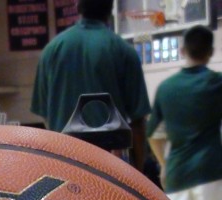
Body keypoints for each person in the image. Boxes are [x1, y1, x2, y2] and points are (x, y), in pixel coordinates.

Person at [30, 0, 150, 171]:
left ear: (78, 8)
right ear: (110, 10)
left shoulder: (51, 50)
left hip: (64, 162)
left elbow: (45, 115)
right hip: (110, 166)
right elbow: (137, 122)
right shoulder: (123, 50)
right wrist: (139, 173)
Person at [147, 25, 222, 200]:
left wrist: (163, 164)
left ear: (182, 50)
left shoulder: (167, 87)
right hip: (210, 170)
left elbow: (152, 133)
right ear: (211, 51)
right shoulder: (216, 83)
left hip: (178, 172)